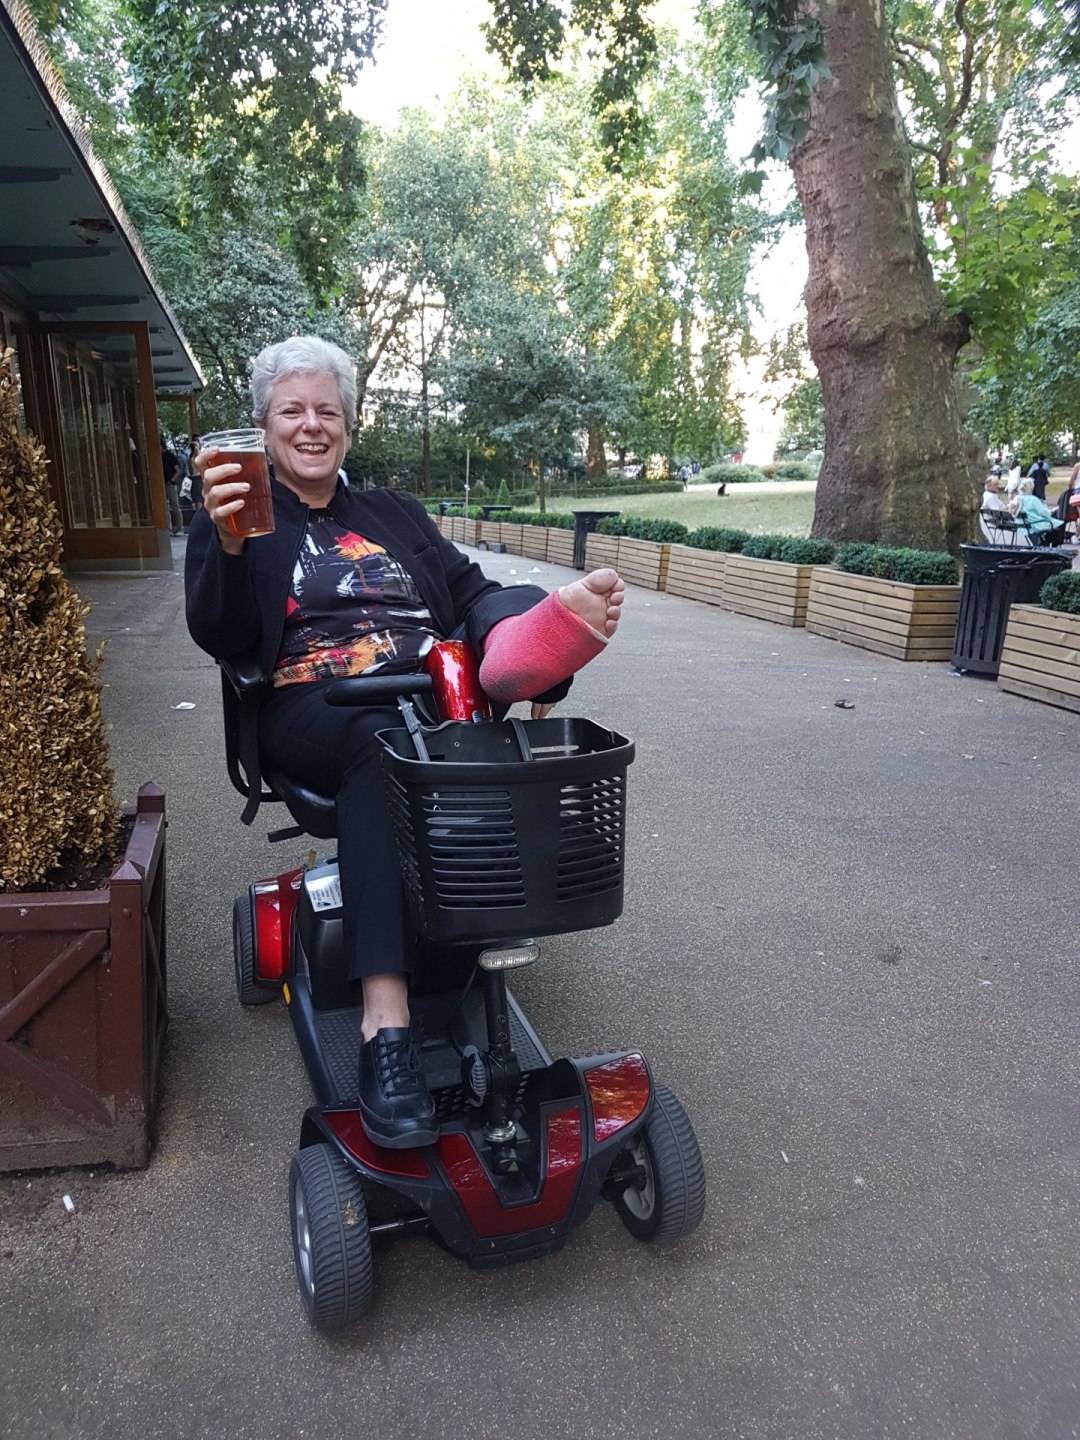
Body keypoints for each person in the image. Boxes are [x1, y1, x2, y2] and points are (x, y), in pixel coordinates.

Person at [186, 336, 625, 1150]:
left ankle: (474, 920)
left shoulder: (393, 513)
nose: (312, 425)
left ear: (350, 427)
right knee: (385, 749)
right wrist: (227, 545)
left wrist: (531, 628)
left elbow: (469, 593)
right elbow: (223, 634)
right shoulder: (241, 518)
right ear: (262, 426)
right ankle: (384, 1027)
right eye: (293, 411)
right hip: (315, 704)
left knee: (490, 725)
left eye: (328, 411)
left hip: (433, 692)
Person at [1009, 478, 1066, 545]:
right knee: (1060, 524)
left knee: (1054, 524)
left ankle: (1044, 542)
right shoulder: (1033, 499)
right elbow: (1043, 513)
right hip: (1035, 525)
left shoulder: (1017, 498)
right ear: (1031, 488)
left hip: (1022, 525)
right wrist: (1050, 513)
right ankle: (1053, 544)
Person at [160, 435, 184, 536]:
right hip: (160, 484)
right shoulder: (157, 457)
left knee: (175, 505)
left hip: (169, 483)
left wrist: (172, 480)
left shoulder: (170, 455)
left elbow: (178, 470)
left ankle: (179, 528)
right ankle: (168, 528)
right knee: (164, 507)